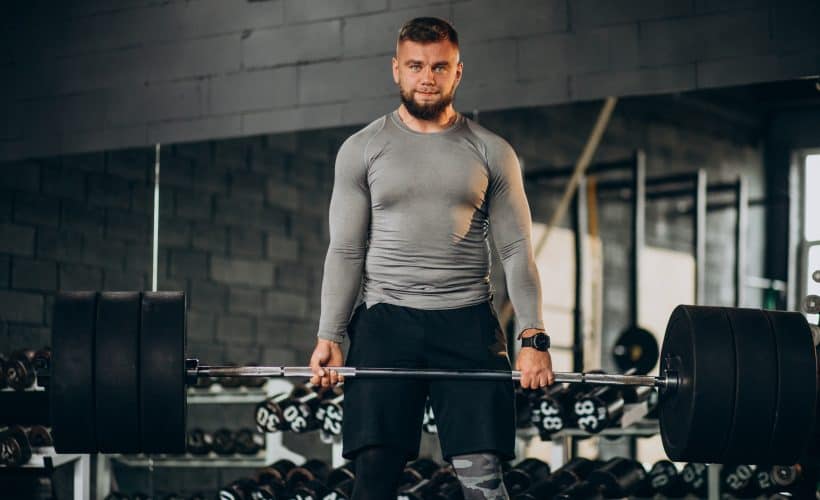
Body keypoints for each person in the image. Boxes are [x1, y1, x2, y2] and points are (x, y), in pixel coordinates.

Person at [309, 17, 554, 500]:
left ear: (458, 72)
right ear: (395, 69)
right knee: (373, 473)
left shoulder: (491, 151)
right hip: (384, 322)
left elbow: (515, 249)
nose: (427, 77)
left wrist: (533, 335)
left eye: (439, 67)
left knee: (482, 474)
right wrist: (329, 334)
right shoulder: (361, 150)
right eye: (416, 66)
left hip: (466, 322)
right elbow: (345, 250)